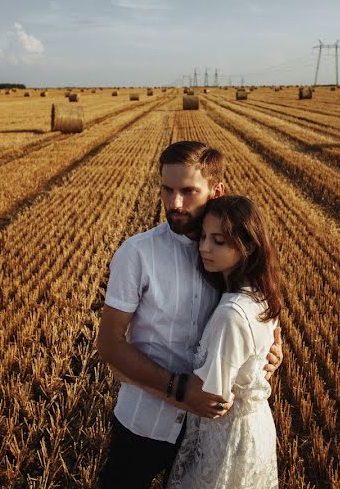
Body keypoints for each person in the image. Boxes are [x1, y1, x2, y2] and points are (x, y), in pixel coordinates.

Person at [96, 141, 283, 488]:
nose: (174, 204)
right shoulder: (137, 253)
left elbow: (259, 306)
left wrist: (273, 349)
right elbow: (109, 343)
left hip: (208, 433)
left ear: (217, 190)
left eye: (188, 191)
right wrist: (180, 389)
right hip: (144, 423)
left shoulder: (230, 255)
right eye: (167, 190)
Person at [165, 195, 282, 488]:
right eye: (203, 236)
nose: (203, 247)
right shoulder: (260, 294)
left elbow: (212, 399)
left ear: (247, 246)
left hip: (226, 440)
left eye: (218, 241)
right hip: (255, 430)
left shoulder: (231, 313)